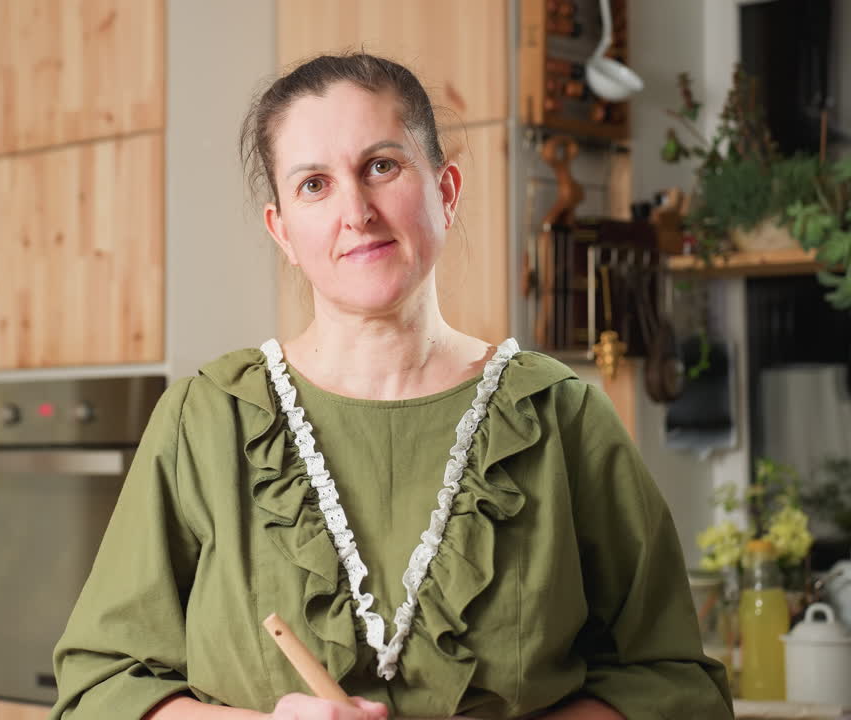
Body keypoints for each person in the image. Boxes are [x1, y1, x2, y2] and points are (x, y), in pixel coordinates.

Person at [50, 53, 733, 720]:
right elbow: (99, 689)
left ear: (446, 190)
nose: (356, 210)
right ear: (282, 230)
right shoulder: (206, 420)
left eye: (381, 166)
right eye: (313, 184)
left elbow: (676, 687)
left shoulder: (561, 416)